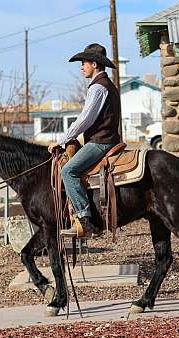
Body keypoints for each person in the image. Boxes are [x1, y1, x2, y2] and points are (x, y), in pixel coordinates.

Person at [48, 43, 122, 237]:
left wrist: (63, 139)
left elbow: (85, 119)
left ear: (95, 64)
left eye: (84, 63)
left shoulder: (97, 88)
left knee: (68, 171)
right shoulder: (107, 85)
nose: (81, 67)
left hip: (101, 141)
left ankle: (85, 219)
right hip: (109, 138)